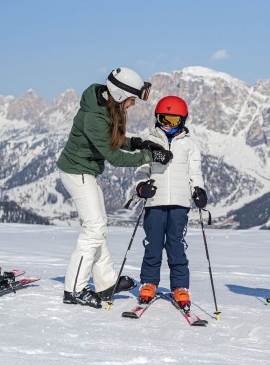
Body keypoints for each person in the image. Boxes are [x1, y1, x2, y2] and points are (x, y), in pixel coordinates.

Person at [58, 67, 174, 308]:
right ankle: (74, 289)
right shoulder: (94, 116)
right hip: (77, 172)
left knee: (98, 228)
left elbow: (114, 140)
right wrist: (150, 157)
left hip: (86, 172)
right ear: (120, 95)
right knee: (94, 228)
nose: (132, 104)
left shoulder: (104, 106)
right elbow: (114, 157)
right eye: (131, 99)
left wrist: (137, 143)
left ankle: (105, 283)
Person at [132, 95, 207, 312]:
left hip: (180, 203)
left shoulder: (190, 145)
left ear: (182, 120)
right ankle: (149, 283)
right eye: (164, 119)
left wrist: (198, 190)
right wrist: (141, 187)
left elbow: (195, 173)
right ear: (157, 117)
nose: (168, 124)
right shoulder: (149, 140)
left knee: (176, 245)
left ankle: (180, 286)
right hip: (154, 201)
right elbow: (141, 169)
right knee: (153, 244)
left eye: (173, 120)